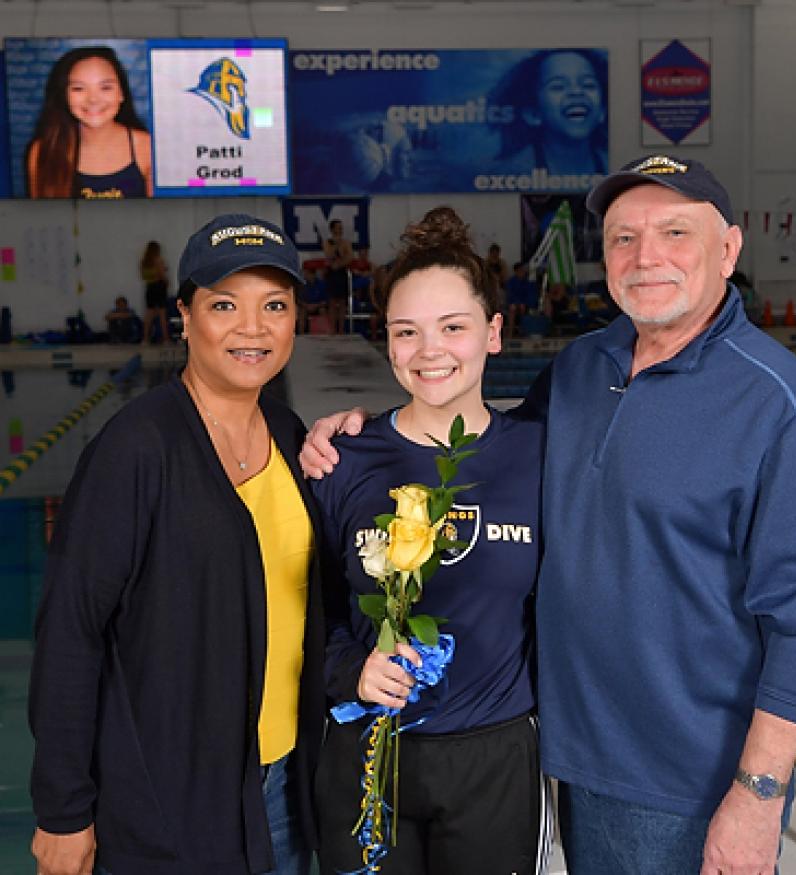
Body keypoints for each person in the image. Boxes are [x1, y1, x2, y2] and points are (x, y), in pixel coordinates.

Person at [299, 155, 796, 875]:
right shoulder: (579, 371)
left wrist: (758, 793)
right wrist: (350, 432)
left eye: (674, 233)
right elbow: (474, 447)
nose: (645, 256)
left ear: (727, 248)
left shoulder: (782, 405)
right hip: (574, 760)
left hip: (691, 780)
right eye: (624, 237)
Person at [29, 213, 326, 875]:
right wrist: (64, 808)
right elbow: (70, 631)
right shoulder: (135, 450)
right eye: (225, 304)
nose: (253, 327)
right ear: (184, 317)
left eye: (274, 305)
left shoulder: (286, 429)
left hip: (281, 792)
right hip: (167, 805)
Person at [311, 207, 550, 875]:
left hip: (493, 759)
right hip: (367, 751)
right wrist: (349, 670)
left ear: (493, 334)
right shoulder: (342, 458)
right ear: (384, 340)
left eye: (453, 327)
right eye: (406, 331)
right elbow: (309, 610)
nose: (429, 350)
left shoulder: (539, 454)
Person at [26, 45, 152, 199]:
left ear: (121, 94)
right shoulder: (43, 151)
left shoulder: (147, 147)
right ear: (64, 96)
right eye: (78, 88)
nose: (93, 99)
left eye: (105, 88)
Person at [489, 49, 608, 178]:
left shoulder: (619, 169)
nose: (576, 91)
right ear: (533, 114)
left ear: (602, 111)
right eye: (558, 86)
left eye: (588, 85)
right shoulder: (508, 175)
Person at [321, 219, 354, 334]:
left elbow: (350, 257)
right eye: (338, 227)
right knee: (332, 302)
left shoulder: (346, 242)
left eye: (341, 227)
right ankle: (333, 329)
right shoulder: (327, 242)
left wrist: (339, 263)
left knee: (342, 302)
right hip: (331, 273)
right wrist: (336, 246)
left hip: (341, 272)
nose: (340, 229)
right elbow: (328, 255)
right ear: (332, 229)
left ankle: (341, 329)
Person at [140, 240, 170, 344]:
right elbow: (161, 274)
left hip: (150, 286)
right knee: (162, 314)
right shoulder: (158, 260)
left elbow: (143, 276)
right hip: (159, 286)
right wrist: (167, 282)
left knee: (149, 314)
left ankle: (145, 338)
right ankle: (166, 338)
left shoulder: (144, 261)